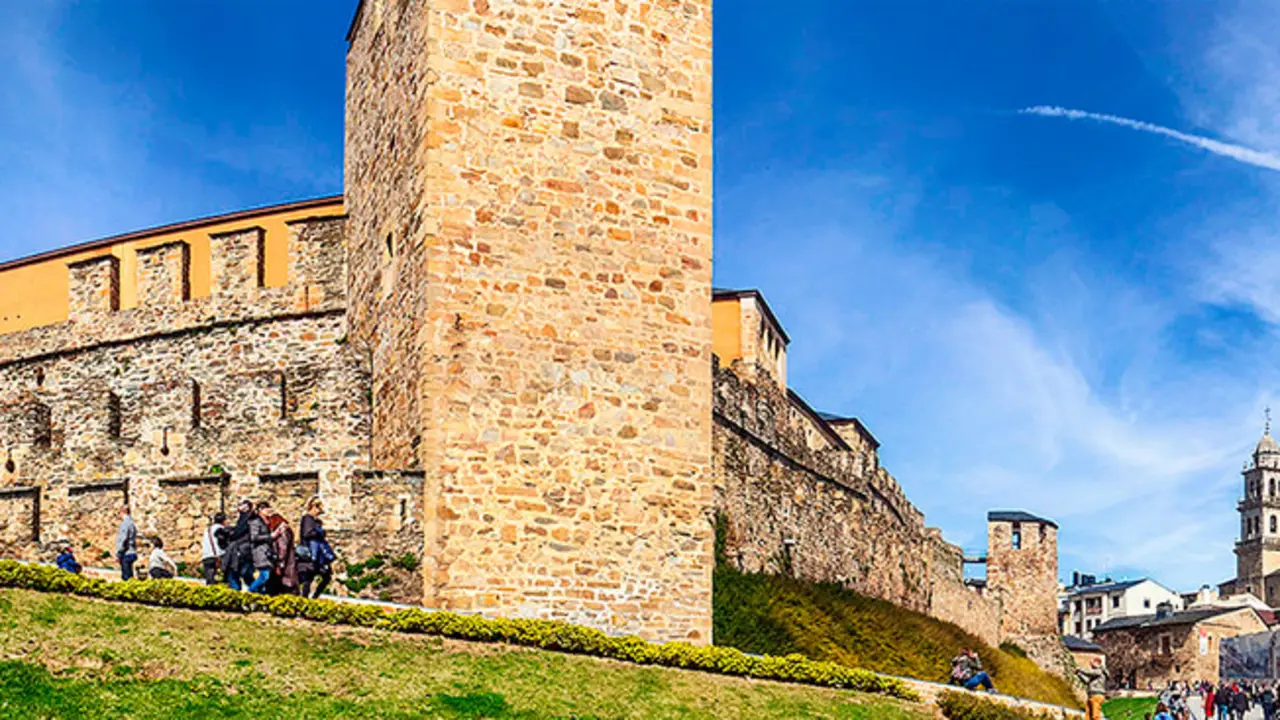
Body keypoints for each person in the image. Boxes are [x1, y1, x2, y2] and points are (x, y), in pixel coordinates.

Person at [297, 497, 334, 599]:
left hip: (319, 554)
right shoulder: (307, 519)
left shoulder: (317, 521)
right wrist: (319, 532)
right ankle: (304, 600)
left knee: (325, 577)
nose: (319, 512)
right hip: (309, 553)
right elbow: (307, 534)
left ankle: (314, 597)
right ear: (314, 507)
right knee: (308, 578)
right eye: (319, 509)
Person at [264, 505, 299, 595]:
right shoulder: (286, 530)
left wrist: (279, 564)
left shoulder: (282, 532)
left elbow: (282, 548)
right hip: (285, 563)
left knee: (280, 586)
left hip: (283, 564)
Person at [222, 500, 255, 590]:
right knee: (239, 574)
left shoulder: (247, 518)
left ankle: (256, 591)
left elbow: (238, 532)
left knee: (237, 573)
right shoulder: (245, 517)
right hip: (243, 550)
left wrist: (231, 534)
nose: (239, 507)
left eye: (241, 505)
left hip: (243, 550)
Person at [246, 502, 274, 593]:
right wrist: (271, 536)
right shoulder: (256, 522)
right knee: (264, 576)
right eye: (266, 509)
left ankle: (259, 598)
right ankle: (249, 591)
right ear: (260, 510)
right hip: (259, 552)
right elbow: (254, 537)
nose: (268, 511)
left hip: (266, 552)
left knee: (265, 578)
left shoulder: (266, 522)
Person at [200, 512, 226, 586]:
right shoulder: (221, 529)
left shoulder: (207, 530)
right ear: (224, 521)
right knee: (221, 580)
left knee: (210, 581)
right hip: (217, 557)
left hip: (206, 556)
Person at [115, 504, 138, 580]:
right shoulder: (132, 523)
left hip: (126, 553)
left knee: (126, 577)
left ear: (122, 512)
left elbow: (123, 539)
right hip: (132, 552)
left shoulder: (125, 523)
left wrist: (118, 553)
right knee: (130, 577)